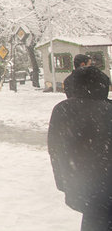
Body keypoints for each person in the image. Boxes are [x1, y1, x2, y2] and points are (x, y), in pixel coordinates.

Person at [48, 65, 112, 231]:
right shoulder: (108, 109)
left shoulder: (62, 110)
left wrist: (65, 184)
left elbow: (56, 151)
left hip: (85, 189)